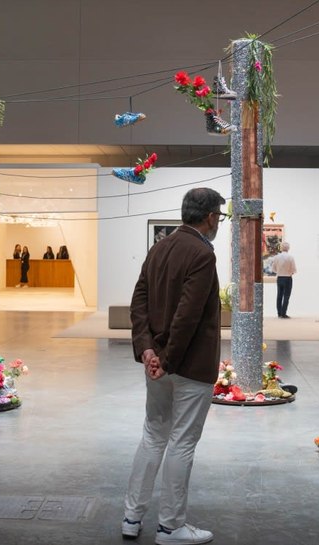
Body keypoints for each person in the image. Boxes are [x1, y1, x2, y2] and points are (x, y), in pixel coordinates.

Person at [124, 187, 225, 545]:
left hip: (159, 365)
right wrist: (165, 360)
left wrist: (147, 350)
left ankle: (132, 518)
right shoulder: (202, 254)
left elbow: (138, 301)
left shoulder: (160, 247)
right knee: (181, 443)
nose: (219, 223)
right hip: (189, 366)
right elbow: (188, 315)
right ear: (211, 216)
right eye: (220, 217)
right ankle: (170, 527)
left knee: (153, 436)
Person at [271, 242, 297, 318]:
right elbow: (294, 269)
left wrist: (279, 272)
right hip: (288, 278)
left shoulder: (276, 257)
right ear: (288, 248)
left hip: (279, 278)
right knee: (286, 296)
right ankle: (283, 313)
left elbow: (273, 269)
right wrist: (290, 272)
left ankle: (279, 313)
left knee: (279, 295)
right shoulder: (290, 257)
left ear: (281, 248)